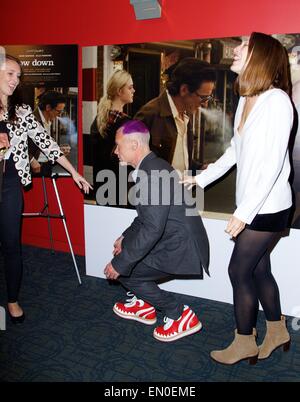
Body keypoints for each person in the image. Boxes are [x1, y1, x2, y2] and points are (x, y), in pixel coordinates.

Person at [182, 32, 293, 364]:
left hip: (269, 207)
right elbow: (234, 152)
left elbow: (272, 165)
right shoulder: (249, 97)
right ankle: (277, 330)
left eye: (243, 46)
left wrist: (244, 212)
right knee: (258, 270)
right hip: (253, 205)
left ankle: (245, 340)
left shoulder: (277, 101)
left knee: (238, 271)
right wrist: (199, 178)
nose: (234, 50)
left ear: (260, 56)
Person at [0, 54, 92, 324]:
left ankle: (13, 300)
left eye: (18, 76)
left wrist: (73, 171)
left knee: (11, 243)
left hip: (9, 182)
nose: (15, 81)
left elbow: (46, 142)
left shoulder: (22, 111)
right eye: (10, 74)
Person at [104, 120, 210, 342]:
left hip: (179, 245)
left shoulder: (151, 174)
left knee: (126, 271)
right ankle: (144, 305)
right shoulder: (152, 167)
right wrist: (126, 236)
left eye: (118, 145)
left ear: (134, 145)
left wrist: (121, 264)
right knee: (126, 255)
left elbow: (152, 228)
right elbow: (147, 217)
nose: (115, 151)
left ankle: (180, 314)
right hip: (173, 237)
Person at [134, 58, 216, 177]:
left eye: (208, 98)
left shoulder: (186, 115)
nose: (205, 104)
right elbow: (124, 162)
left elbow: (179, 160)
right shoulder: (150, 115)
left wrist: (200, 168)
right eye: (203, 98)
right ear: (184, 90)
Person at [90, 69, 134, 204]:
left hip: (101, 186)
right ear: (119, 92)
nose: (133, 91)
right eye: (130, 87)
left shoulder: (99, 119)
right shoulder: (125, 123)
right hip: (120, 189)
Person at [28, 90, 69, 175]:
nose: (60, 115)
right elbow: (16, 144)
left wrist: (58, 150)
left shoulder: (50, 121)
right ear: (48, 108)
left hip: (46, 168)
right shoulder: (31, 120)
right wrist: (31, 160)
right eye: (58, 111)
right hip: (31, 171)